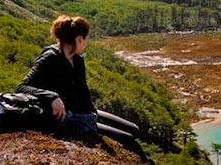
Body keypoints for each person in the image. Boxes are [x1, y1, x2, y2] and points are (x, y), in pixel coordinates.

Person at [16, 15, 144, 150]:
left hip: (82, 111)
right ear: (79, 39)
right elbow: (22, 87)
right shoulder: (50, 58)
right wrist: (52, 97)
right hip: (66, 117)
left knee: (134, 130)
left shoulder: (77, 59)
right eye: (86, 38)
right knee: (128, 140)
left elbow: (83, 90)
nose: (87, 42)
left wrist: (93, 114)